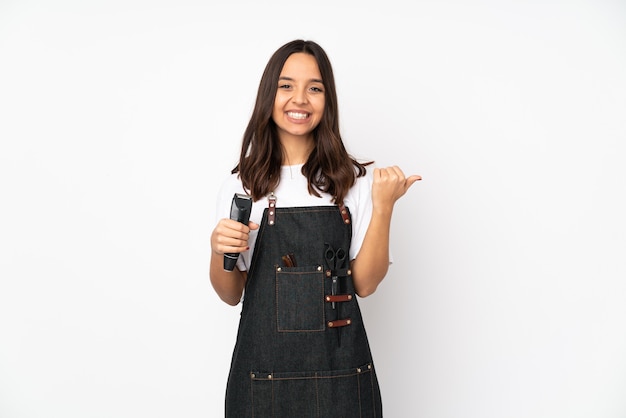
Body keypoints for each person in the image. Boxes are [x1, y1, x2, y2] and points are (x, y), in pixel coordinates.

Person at [210, 39, 421, 417]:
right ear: (268, 95)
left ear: (328, 100)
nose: (300, 99)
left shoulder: (353, 183)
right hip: (264, 379)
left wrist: (384, 206)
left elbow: (366, 284)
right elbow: (230, 293)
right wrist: (218, 249)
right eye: (286, 85)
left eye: (315, 88)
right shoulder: (243, 186)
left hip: (341, 377)